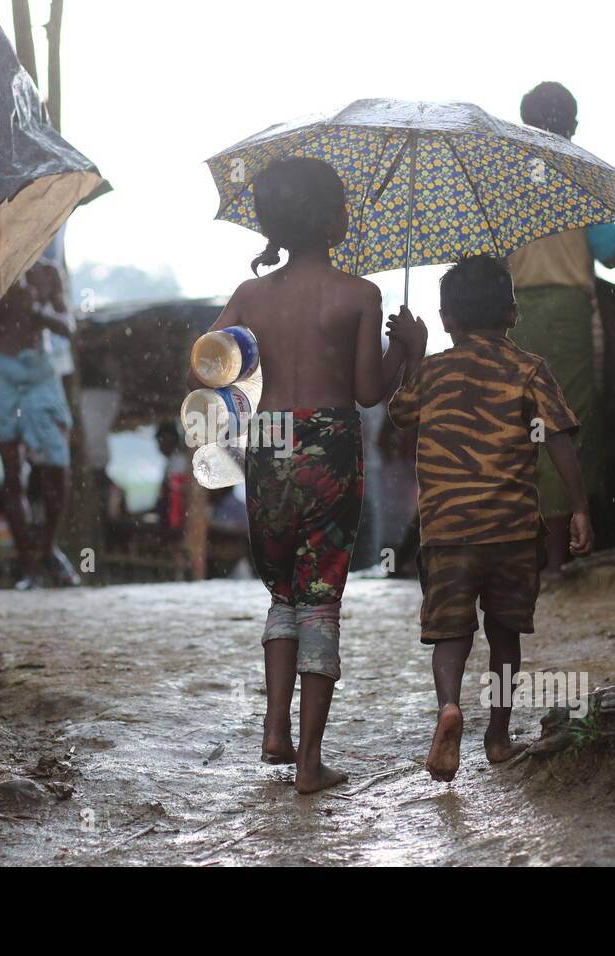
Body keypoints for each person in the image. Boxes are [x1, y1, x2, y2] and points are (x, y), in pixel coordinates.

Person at [195, 157, 419, 794]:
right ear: (330, 220)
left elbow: (207, 366)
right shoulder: (361, 295)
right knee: (321, 599)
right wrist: (405, 346)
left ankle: (274, 728)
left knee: (283, 596)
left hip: (268, 445)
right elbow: (370, 393)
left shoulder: (250, 296)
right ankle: (310, 762)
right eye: (343, 204)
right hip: (329, 448)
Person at [387, 256, 592, 781]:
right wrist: (578, 508)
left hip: (447, 534)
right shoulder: (529, 368)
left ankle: (449, 707)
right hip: (512, 532)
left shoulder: (432, 371)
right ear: (513, 313)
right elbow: (562, 440)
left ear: (447, 318)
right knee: (505, 634)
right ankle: (498, 736)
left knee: (449, 634)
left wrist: (412, 352)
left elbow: (400, 414)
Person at [510, 81, 615, 574]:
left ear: (523, 123)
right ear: (573, 127)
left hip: (511, 320)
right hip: (566, 317)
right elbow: (612, 254)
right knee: (563, 427)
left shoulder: (504, 179)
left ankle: (525, 555)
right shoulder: (578, 176)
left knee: (521, 429)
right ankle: (559, 560)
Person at [0, 263, 82, 590]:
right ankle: (29, 567)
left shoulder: (48, 272)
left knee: (58, 459)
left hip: (39, 369)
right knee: (12, 471)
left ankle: (49, 547)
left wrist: (39, 310)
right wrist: (0, 303)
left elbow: (68, 326)